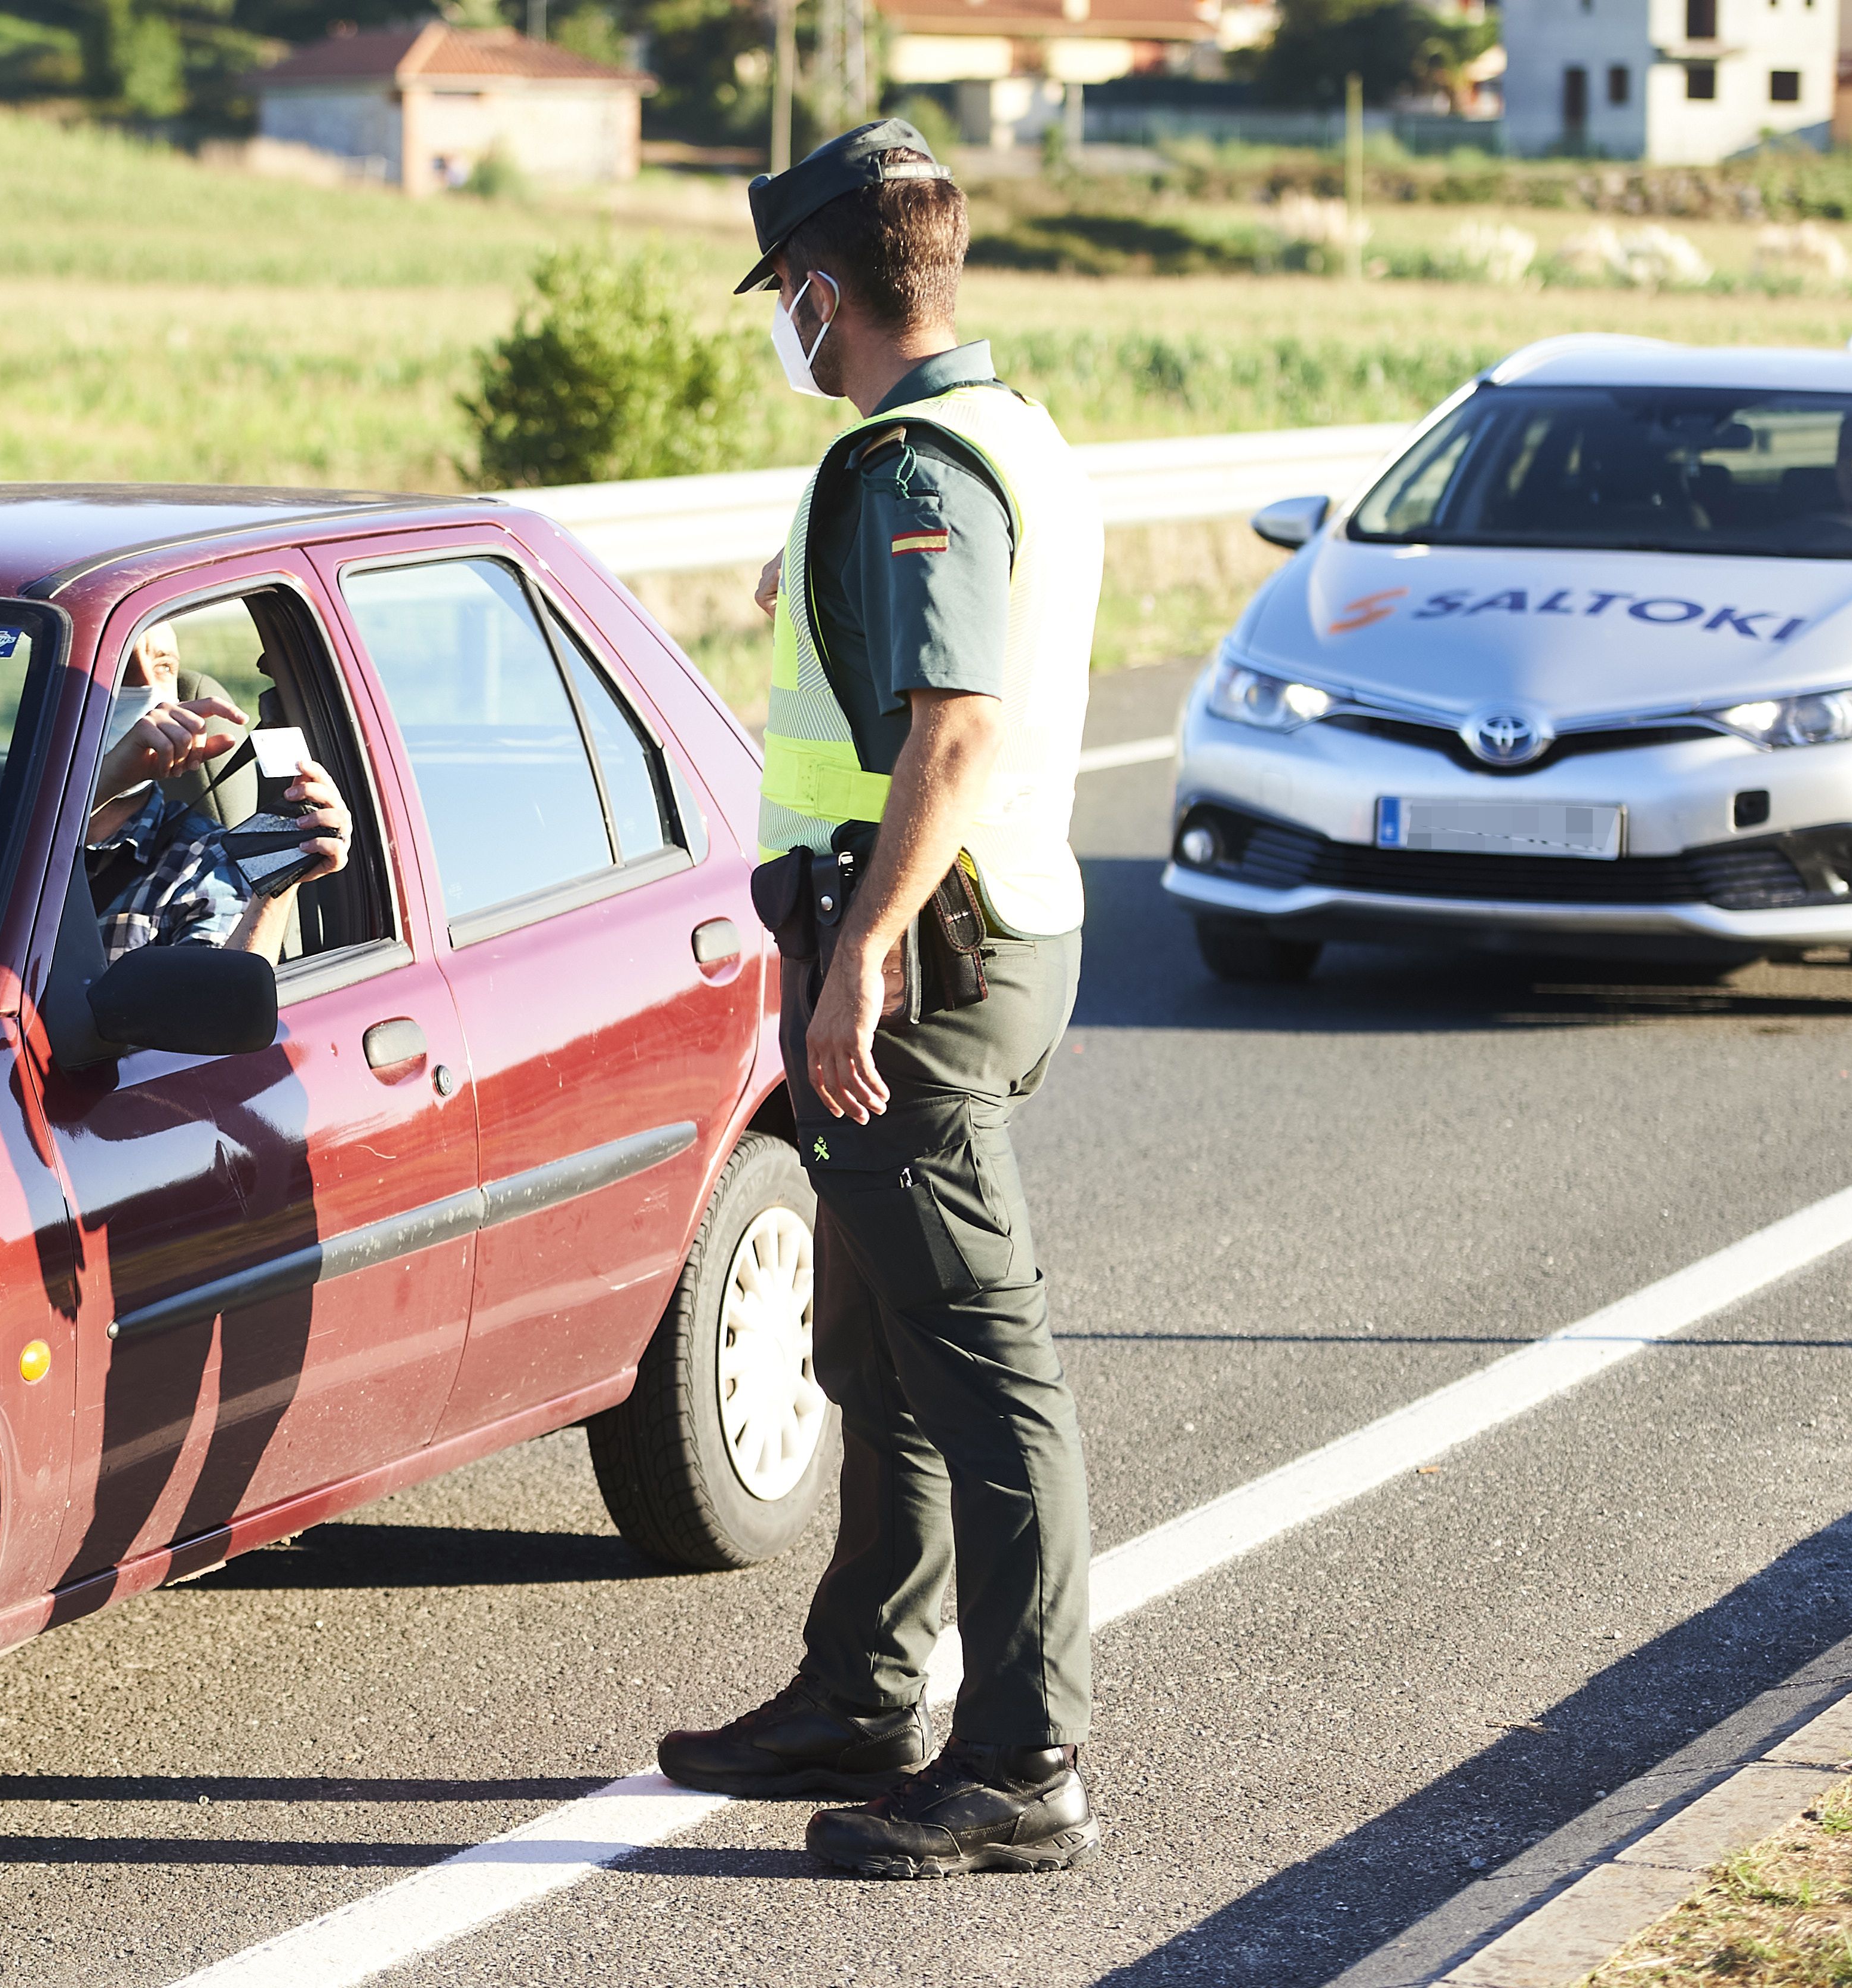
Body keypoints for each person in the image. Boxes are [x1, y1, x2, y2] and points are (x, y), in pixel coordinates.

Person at [655, 119, 1107, 1881]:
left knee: (984, 1363)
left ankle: (1021, 1755)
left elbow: (954, 725)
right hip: (988, 932)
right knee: (883, 1341)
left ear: (824, 291)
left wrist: (849, 966)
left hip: (913, 954)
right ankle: (861, 1683)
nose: (787, 323)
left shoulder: (913, 467)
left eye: (786, 296)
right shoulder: (992, 431)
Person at [0, 619, 348, 963]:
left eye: (164, 666)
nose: (148, 686)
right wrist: (101, 780)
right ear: (52, 691)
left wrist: (281, 870)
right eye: (119, 665)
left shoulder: (199, 855)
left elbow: (219, 1007)